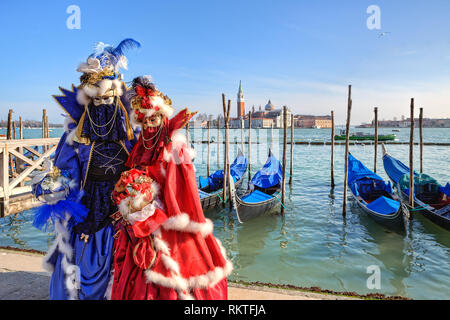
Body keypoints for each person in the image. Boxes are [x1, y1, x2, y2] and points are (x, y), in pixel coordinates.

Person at [31, 39, 141, 300]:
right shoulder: (75, 135)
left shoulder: (132, 134)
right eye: (97, 99)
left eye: (108, 99)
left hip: (122, 208)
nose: (102, 105)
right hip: (86, 206)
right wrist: (53, 186)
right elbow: (66, 173)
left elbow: (145, 170)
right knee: (80, 264)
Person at [110, 76, 233, 300]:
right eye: (144, 120)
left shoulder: (174, 146)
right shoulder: (142, 144)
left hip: (166, 217)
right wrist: (129, 192)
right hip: (140, 215)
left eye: (154, 119)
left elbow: (182, 190)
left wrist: (150, 203)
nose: (148, 125)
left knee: (172, 272)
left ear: (162, 116)